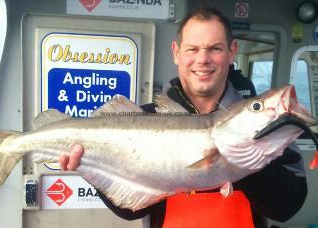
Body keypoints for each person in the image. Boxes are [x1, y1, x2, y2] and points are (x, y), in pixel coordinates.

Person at [59, 7, 307, 228]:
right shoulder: (144, 118)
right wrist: (89, 166)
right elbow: (130, 210)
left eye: (215, 49)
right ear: (177, 52)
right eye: (193, 49)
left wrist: (247, 156)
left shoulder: (270, 125)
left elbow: (286, 209)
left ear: (232, 52)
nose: (202, 59)